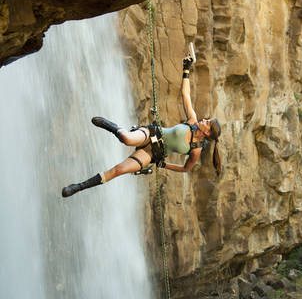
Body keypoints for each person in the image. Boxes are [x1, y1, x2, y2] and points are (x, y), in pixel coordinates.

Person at [62, 56, 221, 198]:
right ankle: (112, 126)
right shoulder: (192, 122)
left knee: (119, 170)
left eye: (208, 122)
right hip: (153, 133)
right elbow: (186, 94)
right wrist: (186, 69)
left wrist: (165, 165)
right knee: (127, 139)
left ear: (207, 133)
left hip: (153, 153)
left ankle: (79, 187)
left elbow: (186, 169)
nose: (204, 119)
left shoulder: (196, 150)